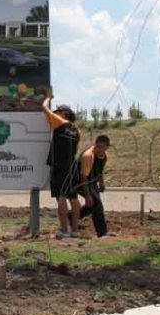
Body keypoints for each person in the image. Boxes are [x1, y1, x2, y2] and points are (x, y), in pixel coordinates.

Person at [43, 94, 81, 239]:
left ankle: (64, 230)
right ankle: (75, 230)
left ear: (63, 114)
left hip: (59, 167)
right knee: (73, 198)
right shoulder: (77, 130)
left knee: (61, 198)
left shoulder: (60, 122)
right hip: (71, 166)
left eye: (58, 111)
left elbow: (44, 109)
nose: (55, 113)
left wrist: (47, 97)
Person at [78, 135, 112, 237]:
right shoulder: (88, 156)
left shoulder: (104, 156)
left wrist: (101, 183)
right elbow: (83, 177)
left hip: (91, 182)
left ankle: (69, 218)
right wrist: (88, 195)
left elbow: (100, 170)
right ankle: (102, 233)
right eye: (98, 146)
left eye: (102, 147)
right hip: (79, 182)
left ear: (107, 147)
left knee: (91, 206)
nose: (99, 149)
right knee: (96, 204)